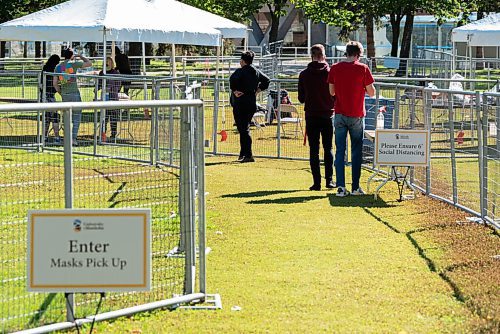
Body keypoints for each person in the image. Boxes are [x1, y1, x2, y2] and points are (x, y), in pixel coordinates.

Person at [328, 41, 376, 197]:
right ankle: (355, 187)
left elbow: (332, 92)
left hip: (340, 113)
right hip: (356, 114)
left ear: (346, 52)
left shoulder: (335, 68)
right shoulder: (363, 69)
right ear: (359, 54)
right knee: (356, 152)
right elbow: (372, 93)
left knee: (340, 151)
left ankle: (341, 186)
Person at [298, 44, 335, 191]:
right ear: (323, 55)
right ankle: (330, 180)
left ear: (311, 56)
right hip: (328, 114)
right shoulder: (330, 73)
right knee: (328, 148)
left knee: (314, 149)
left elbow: (301, 98)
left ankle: (316, 182)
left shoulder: (304, 74)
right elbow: (335, 94)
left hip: (311, 115)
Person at [229, 50, 270, 163]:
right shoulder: (256, 71)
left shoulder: (240, 72)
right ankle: (243, 153)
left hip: (240, 102)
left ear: (242, 61)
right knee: (244, 128)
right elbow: (266, 80)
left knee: (244, 129)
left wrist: (235, 90)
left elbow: (232, 80)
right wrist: (258, 90)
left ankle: (248, 154)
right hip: (251, 102)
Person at [53, 48, 92, 146]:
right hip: (74, 93)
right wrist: (80, 56)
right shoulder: (73, 64)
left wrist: (61, 92)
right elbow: (89, 63)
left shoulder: (58, 67)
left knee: (66, 117)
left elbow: (55, 84)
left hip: (65, 94)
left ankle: (66, 138)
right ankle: (73, 138)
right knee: (76, 117)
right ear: (71, 56)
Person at [97, 57, 122, 141]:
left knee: (113, 118)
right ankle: (103, 134)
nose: (107, 64)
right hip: (104, 98)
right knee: (104, 117)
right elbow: (99, 84)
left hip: (113, 97)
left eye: (109, 62)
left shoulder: (116, 73)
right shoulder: (102, 73)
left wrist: (111, 89)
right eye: (106, 62)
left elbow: (118, 85)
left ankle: (113, 134)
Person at [40, 54, 61, 144]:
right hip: (50, 96)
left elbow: (41, 84)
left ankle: (44, 137)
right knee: (55, 117)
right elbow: (54, 84)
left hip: (43, 96)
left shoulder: (44, 69)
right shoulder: (54, 71)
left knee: (47, 117)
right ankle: (56, 137)